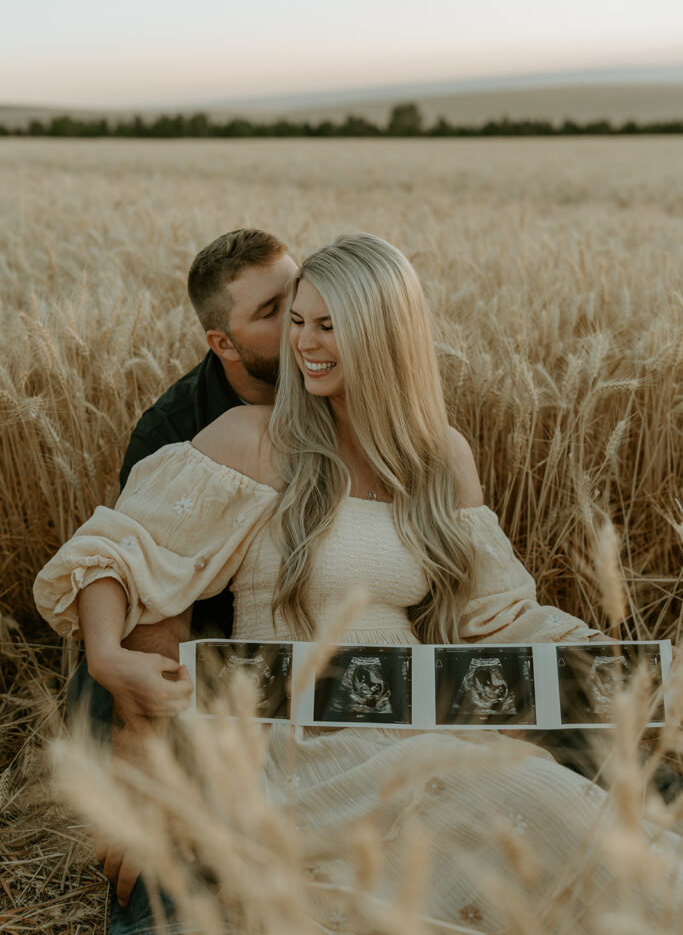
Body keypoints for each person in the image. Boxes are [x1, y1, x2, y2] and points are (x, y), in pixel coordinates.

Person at [35, 234, 680, 933]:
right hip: (295, 739)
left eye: (327, 325)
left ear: (383, 332)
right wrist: (107, 652)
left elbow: (498, 617)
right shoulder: (253, 439)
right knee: (517, 797)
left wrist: (650, 678)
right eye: (297, 322)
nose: (304, 345)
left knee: (585, 831)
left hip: (420, 717)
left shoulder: (442, 459)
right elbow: (115, 551)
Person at [66, 227, 297, 930]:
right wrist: (137, 718)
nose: (298, 321)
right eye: (269, 312)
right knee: (135, 713)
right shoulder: (175, 430)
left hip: (313, 623)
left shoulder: (350, 383)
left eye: (300, 293)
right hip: (198, 630)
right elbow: (143, 582)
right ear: (221, 343)